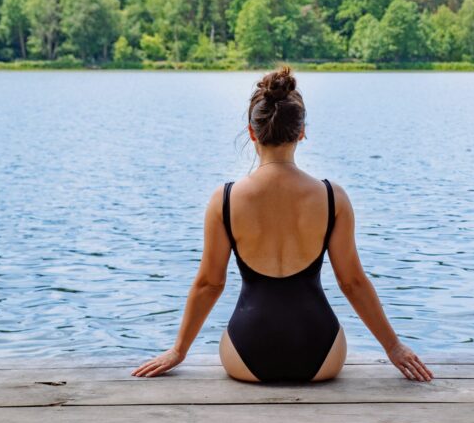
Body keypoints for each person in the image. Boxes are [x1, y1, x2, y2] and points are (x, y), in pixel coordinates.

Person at [132, 66, 434, 383]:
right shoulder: (332, 197)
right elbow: (352, 283)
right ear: (301, 131)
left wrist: (178, 350)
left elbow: (210, 283)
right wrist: (393, 346)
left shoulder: (225, 199)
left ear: (251, 133)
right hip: (322, 354)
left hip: (245, 354)